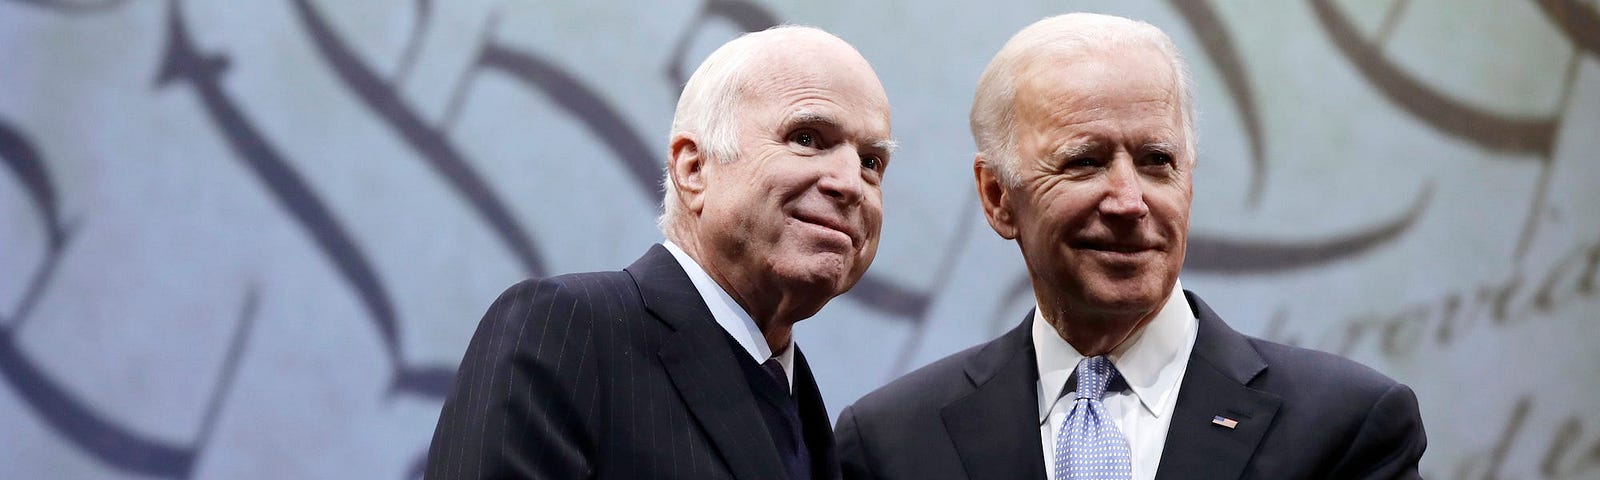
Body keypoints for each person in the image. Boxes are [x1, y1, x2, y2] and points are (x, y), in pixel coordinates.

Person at [834, 13, 1424, 480]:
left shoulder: (1346, 425)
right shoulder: (890, 442)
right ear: (997, 197)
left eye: (1156, 162)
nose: (1128, 201)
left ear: (1189, 184)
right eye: (1084, 162)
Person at [425, 25, 895, 480]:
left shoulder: (807, 411)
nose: (850, 184)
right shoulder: (567, 332)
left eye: (871, 162)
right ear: (694, 168)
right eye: (807, 138)